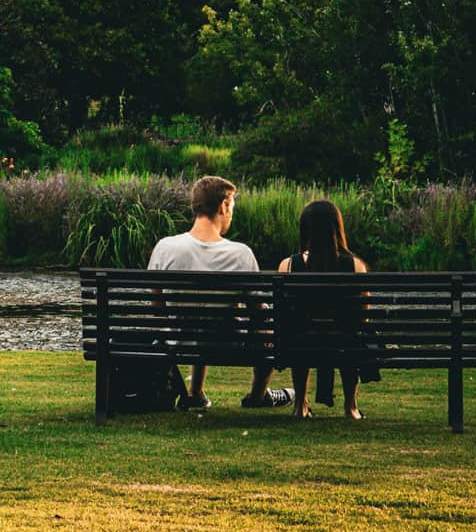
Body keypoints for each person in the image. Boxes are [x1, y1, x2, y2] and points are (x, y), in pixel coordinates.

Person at [147, 175, 293, 412]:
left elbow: (157, 304)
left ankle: (195, 394)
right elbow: (259, 313)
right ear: (223, 205)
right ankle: (258, 395)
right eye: (232, 207)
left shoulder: (165, 247)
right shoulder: (240, 254)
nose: (231, 214)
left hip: (177, 341)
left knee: (198, 320)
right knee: (267, 323)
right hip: (227, 343)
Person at [277, 198, 379, 420]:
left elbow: (284, 314)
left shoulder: (288, 265)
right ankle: (351, 407)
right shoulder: (356, 266)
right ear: (337, 228)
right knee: (352, 336)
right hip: (345, 342)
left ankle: (300, 405)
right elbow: (364, 318)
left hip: (300, 343)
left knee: (299, 334)